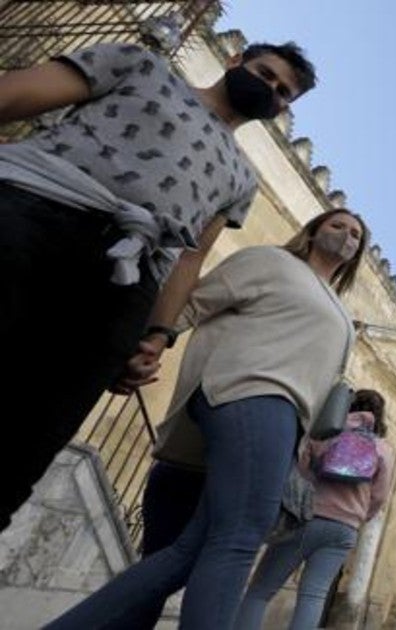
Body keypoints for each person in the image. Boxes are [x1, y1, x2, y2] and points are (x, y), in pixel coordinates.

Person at [0, 39, 316, 534]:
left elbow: (189, 258)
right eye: (265, 73)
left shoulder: (243, 179)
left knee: (26, 445)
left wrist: (157, 335)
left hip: (126, 282)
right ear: (234, 61)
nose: (270, 90)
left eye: (282, 93)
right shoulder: (142, 66)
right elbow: (17, 93)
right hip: (35, 212)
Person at [45, 208, 367, 629]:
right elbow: (198, 299)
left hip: (282, 424)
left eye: (356, 234)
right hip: (250, 390)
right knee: (238, 539)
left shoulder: (343, 315)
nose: (346, 235)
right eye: (337, 225)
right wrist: (150, 343)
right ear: (311, 232)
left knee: (184, 554)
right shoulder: (272, 262)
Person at [233, 389, 395, 630]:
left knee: (260, 591)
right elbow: (380, 496)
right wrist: (359, 517)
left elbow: (300, 469)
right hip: (344, 530)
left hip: (306, 517)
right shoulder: (383, 449)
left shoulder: (325, 432)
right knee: (314, 597)